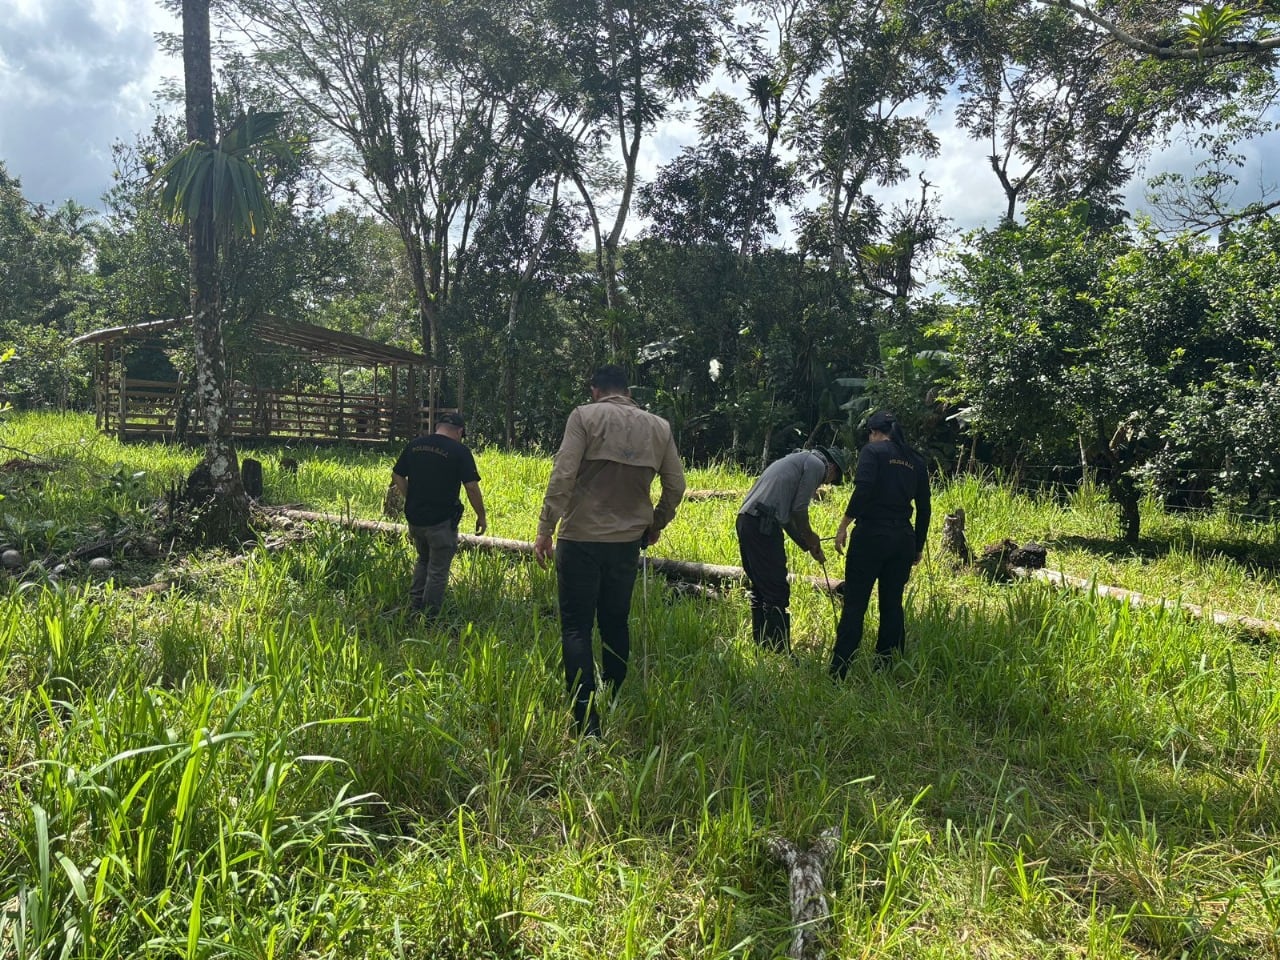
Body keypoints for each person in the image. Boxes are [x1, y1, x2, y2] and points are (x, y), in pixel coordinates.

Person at [534, 365, 686, 737]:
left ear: (595, 390)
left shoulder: (584, 417)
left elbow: (563, 474)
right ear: (627, 391)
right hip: (626, 543)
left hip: (581, 538)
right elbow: (676, 485)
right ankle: (613, 694)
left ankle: (586, 722)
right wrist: (655, 524)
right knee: (616, 621)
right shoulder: (658, 426)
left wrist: (545, 528)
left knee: (576, 628)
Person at [829, 410, 931, 677]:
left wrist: (843, 525)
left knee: (855, 602)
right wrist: (918, 545)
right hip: (902, 539)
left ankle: (840, 668)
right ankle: (886, 665)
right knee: (892, 603)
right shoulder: (916, 460)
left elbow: (863, 489)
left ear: (875, 432)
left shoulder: (872, 452)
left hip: (871, 535)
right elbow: (924, 508)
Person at [736, 445, 850, 653]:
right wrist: (810, 535)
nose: (827, 483)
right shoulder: (815, 465)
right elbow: (799, 509)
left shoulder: (797, 460)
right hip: (763, 523)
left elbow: (787, 518)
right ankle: (779, 651)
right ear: (832, 467)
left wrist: (808, 545)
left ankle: (762, 646)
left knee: (761, 587)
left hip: (747, 520)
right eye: (832, 479)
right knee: (776, 589)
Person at [391, 411, 487, 617]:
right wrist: (481, 515)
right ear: (460, 431)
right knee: (438, 570)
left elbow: (397, 474)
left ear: (437, 427)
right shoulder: (460, 451)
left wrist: (410, 496)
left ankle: (414, 606)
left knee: (423, 560)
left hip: (415, 518)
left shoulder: (415, 445)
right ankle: (429, 617)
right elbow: (471, 487)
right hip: (441, 521)